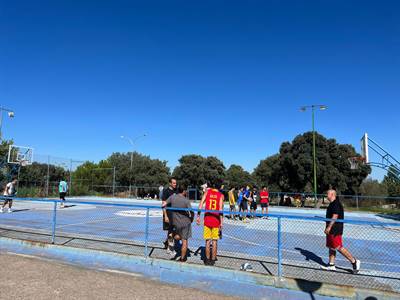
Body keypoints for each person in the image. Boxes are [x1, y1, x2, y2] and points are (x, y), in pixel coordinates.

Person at [321, 189, 361, 274]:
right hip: (331, 229)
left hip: (335, 229)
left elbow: (335, 216)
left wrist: (329, 227)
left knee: (338, 247)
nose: (326, 195)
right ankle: (331, 265)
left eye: (327, 194)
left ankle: (354, 261)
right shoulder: (332, 204)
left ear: (332, 194)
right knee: (331, 247)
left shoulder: (336, 203)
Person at [162, 185, 193, 262]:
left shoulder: (172, 197)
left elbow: (163, 204)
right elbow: (191, 212)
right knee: (184, 241)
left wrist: (165, 214)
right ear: (184, 191)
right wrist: (191, 219)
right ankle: (183, 258)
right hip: (185, 223)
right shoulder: (186, 200)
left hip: (176, 222)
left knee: (177, 235)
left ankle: (171, 239)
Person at [196, 182, 224, 266]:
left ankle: (207, 259)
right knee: (215, 241)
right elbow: (220, 210)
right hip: (216, 220)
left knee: (207, 240)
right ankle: (213, 259)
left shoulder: (207, 192)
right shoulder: (220, 195)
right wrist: (221, 222)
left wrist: (198, 216)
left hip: (207, 219)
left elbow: (201, 204)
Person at [162, 178, 177, 254]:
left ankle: (166, 242)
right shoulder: (166, 191)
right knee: (170, 230)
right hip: (168, 213)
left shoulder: (176, 190)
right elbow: (163, 204)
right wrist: (165, 216)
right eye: (174, 183)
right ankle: (169, 247)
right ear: (170, 183)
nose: (175, 184)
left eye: (175, 183)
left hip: (175, 214)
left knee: (173, 230)